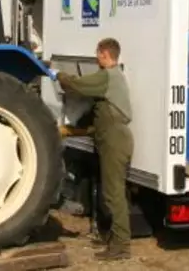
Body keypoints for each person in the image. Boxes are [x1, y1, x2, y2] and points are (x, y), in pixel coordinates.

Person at [56, 37, 134, 262]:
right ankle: (114, 241)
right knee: (111, 192)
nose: (96, 58)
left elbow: (78, 85)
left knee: (114, 194)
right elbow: (95, 125)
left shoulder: (107, 76)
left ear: (104, 54)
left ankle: (121, 247)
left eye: (97, 54)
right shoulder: (114, 77)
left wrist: (57, 75)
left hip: (114, 140)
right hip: (111, 138)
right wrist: (70, 131)